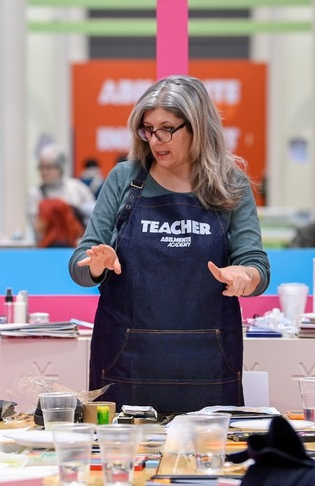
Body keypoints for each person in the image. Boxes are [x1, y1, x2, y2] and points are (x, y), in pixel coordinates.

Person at [69, 75, 270, 413]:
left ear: (197, 127)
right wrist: (96, 266)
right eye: (148, 129)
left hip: (208, 364)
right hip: (125, 364)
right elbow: (80, 264)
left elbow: (257, 267)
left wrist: (244, 277)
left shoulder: (230, 184)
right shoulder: (123, 178)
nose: (155, 140)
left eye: (166, 129)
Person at [26, 144, 96, 239]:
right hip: (47, 245)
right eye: (41, 167)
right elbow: (36, 227)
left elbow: (94, 217)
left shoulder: (77, 188)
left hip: (77, 244)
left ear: (60, 168)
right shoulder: (35, 194)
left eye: (48, 167)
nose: (44, 172)